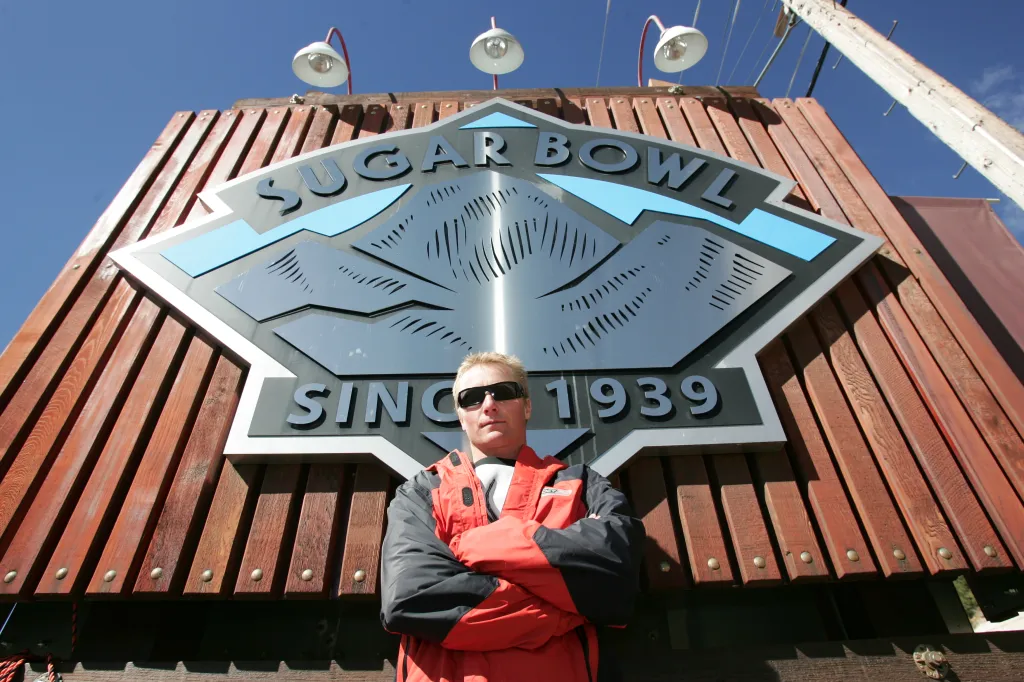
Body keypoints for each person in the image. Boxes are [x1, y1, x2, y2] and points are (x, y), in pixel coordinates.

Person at [380, 351, 646, 682]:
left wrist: (478, 546)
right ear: (461, 417)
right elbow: (410, 598)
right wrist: (565, 610)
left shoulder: (580, 483)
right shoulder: (420, 491)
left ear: (527, 406)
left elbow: (614, 575)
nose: (489, 404)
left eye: (503, 392)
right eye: (471, 398)